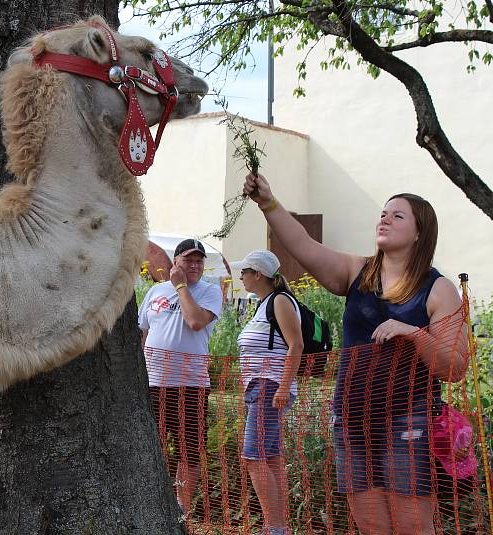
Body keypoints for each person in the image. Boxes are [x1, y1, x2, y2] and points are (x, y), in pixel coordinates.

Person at [243, 173, 468, 535]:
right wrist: (268, 202)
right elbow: (302, 243)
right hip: (351, 421)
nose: (384, 218)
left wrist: (413, 333)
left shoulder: (438, 289)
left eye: (398, 215)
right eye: (383, 212)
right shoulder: (356, 271)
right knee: (371, 526)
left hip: (407, 421)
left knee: (412, 527)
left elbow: (455, 366)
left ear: (419, 233)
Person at [138, 238, 223, 515]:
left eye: (199, 260)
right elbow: (144, 331)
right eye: (189, 260)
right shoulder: (155, 293)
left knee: (189, 449)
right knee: (153, 445)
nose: (195, 265)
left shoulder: (209, 291)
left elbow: (195, 321)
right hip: (153, 383)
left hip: (190, 384)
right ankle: (153, 503)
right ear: (175, 262)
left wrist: (181, 286)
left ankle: (181, 509)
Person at [234, 250, 302, 535]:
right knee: (269, 456)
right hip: (261, 387)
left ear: (258, 274)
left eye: (245, 271)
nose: (241, 276)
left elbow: (295, 345)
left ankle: (274, 528)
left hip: (270, 386)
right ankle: (279, 526)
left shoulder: (280, 301)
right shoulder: (263, 303)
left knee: (253, 457)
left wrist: (284, 387)